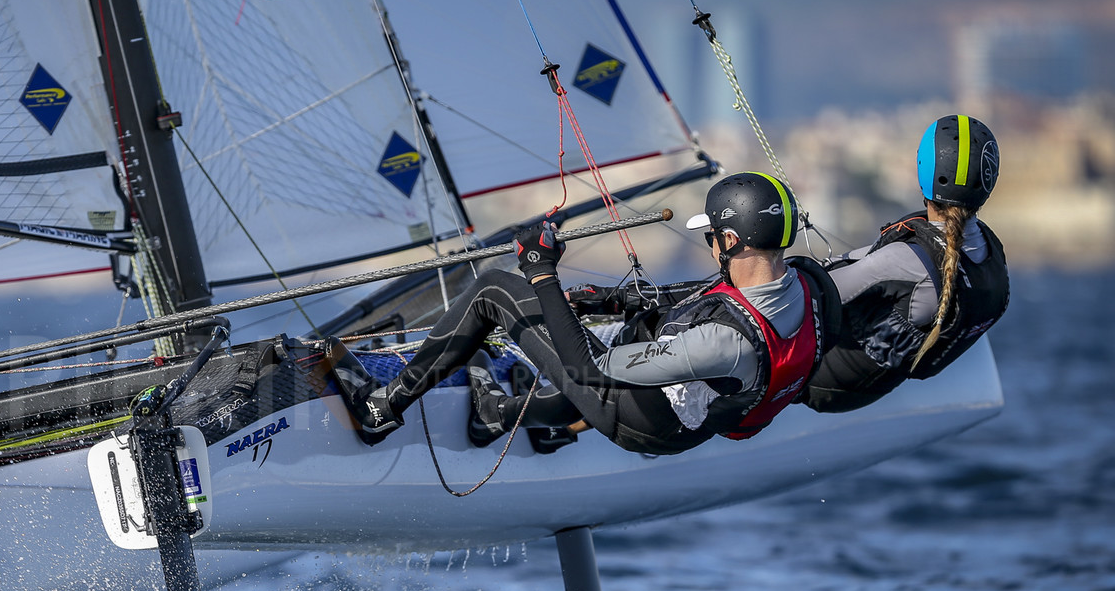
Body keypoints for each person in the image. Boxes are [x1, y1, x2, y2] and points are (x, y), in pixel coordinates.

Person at [344, 172, 834, 456]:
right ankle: (499, 418)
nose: (709, 245)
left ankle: (380, 410)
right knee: (624, 335)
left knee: (494, 287)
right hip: (685, 420)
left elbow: (589, 370)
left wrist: (541, 274)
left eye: (711, 237)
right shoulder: (804, 284)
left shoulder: (721, 343)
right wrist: (613, 300)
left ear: (729, 241)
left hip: (645, 424)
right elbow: (711, 298)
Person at [803, 114, 1009, 413]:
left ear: (923, 170)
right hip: (871, 387)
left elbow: (806, 295)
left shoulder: (905, 261)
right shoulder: (993, 256)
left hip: (821, 383)